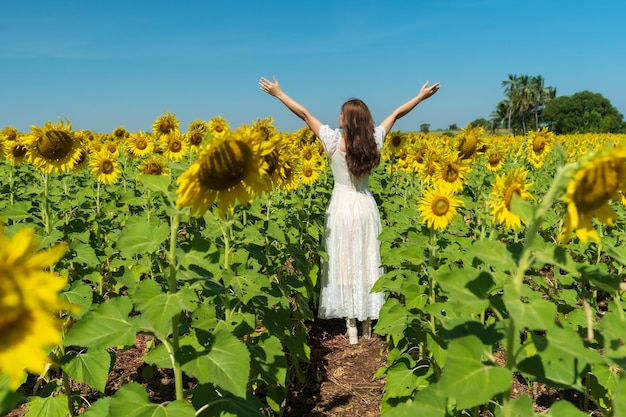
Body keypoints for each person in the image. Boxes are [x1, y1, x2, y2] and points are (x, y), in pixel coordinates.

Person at [259, 76, 440, 344]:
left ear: (348, 120)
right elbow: (396, 114)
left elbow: (304, 114)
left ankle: (351, 329)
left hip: (341, 207)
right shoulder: (374, 141)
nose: (337, 116)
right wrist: (420, 97)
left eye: (341, 113)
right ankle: (367, 324)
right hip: (366, 206)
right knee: (367, 260)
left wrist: (279, 94)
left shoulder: (332, 141)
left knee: (344, 262)